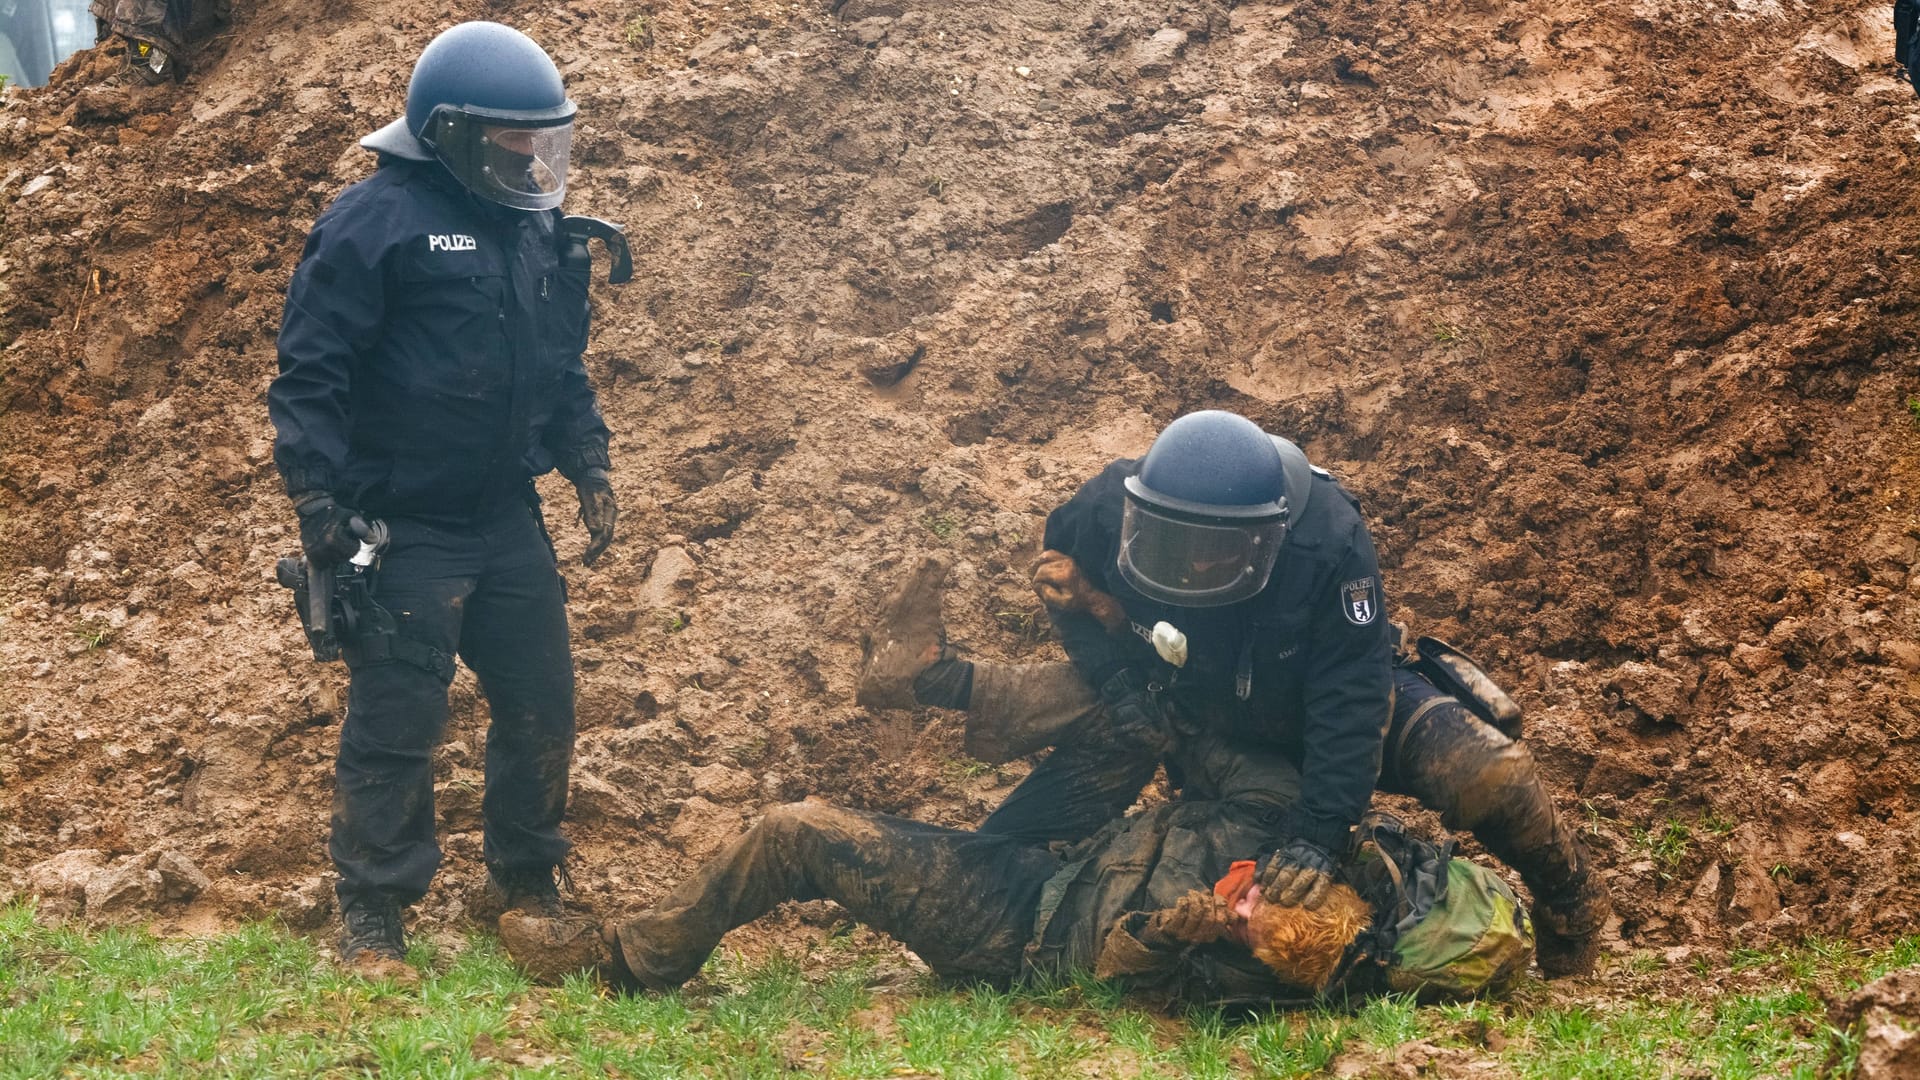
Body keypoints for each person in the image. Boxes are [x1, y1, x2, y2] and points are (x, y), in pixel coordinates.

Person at [857, 410, 1611, 977]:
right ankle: (980, 839)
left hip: (1310, 703)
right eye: (1168, 545)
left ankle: (1572, 902)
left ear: (1264, 537)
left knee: (1488, 770)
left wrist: (1320, 830)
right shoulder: (1101, 507)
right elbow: (1064, 590)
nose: (1187, 567)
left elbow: (1351, 698)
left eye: (1209, 551)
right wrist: (1119, 676)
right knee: (1099, 705)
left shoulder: (1330, 544)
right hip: (1189, 685)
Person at [268, 21, 621, 980]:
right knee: (398, 721)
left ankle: (525, 883)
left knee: (543, 703)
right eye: (515, 145)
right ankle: (374, 914)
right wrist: (318, 500)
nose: (533, 161)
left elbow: (559, 361)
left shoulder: (533, 224)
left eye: (544, 142)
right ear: (454, 135)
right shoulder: (371, 221)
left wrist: (586, 458)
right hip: (403, 523)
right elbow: (311, 372)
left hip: (504, 517)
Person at [498, 735, 1412, 1007]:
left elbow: (1102, 983)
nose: (1242, 904)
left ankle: (624, 959)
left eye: (1249, 922)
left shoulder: (1227, 970)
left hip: (1015, 929)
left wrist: (1165, 936)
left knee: (796, 830)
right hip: (1046, 857)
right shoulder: (1293, 844)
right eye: (1259, 899)